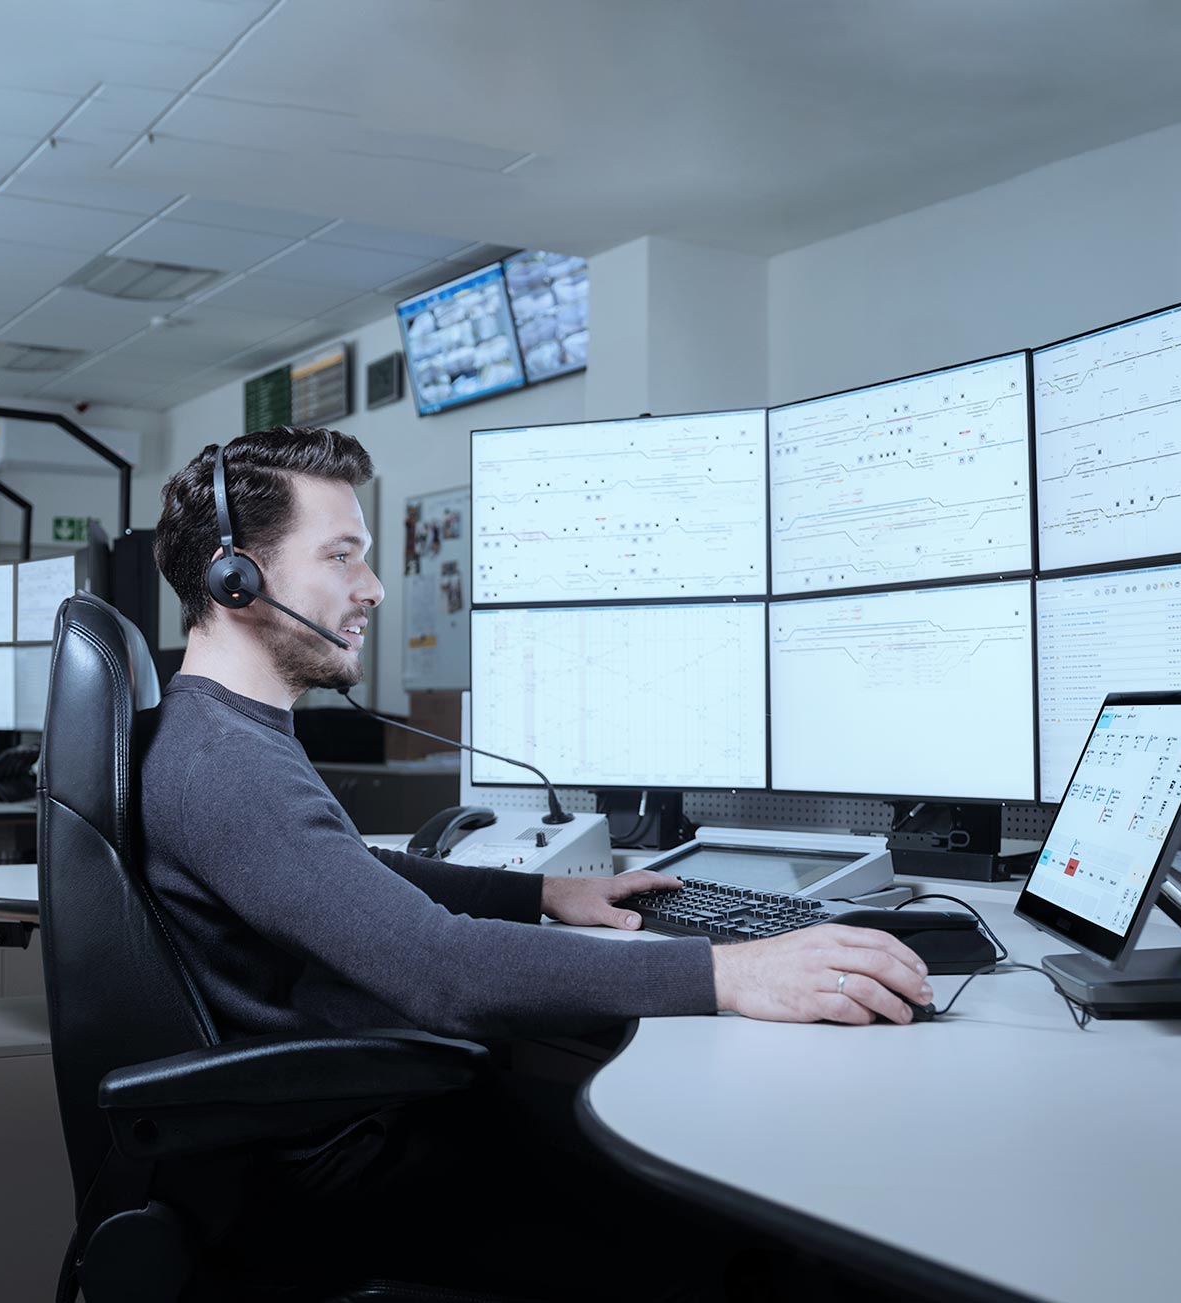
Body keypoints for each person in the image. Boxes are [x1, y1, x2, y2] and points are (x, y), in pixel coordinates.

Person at [139, 427, 936, 1298]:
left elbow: (349, 875)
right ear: (237, 579)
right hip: (351, 1172)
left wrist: (548, 892)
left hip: (348, 1129)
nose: (371, 588)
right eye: (342, 556)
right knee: (745, 1241)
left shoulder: (219, 735)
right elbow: (442, 971)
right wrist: (731, 970)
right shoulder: (229, 767)